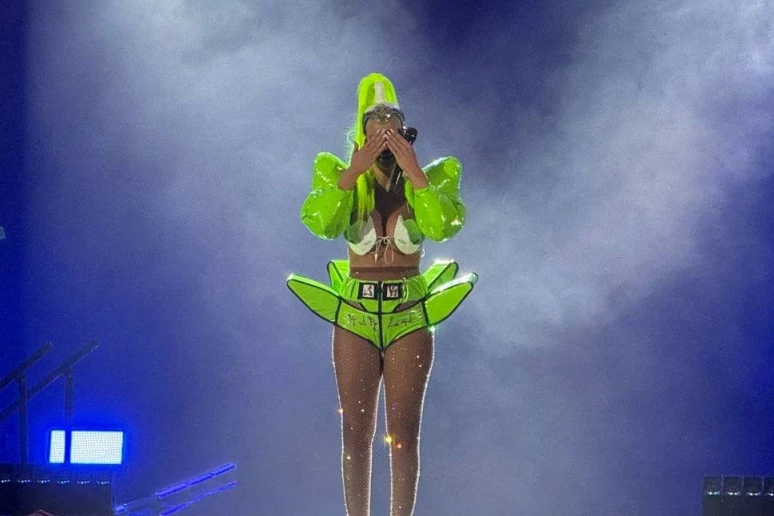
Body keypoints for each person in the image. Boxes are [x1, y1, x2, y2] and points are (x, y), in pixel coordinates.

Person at [287, 72, 477, 516]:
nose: (385, 133)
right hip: (355, 312)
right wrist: (353, 171)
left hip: (408, 312)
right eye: (376, 126)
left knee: (403, 434)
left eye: (394, 124)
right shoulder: (337, 174)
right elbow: (321, 223)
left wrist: (415, 174)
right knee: (355, 432)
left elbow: (443, 226)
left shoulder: (437, 175)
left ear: (408, 134)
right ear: (361, 134)